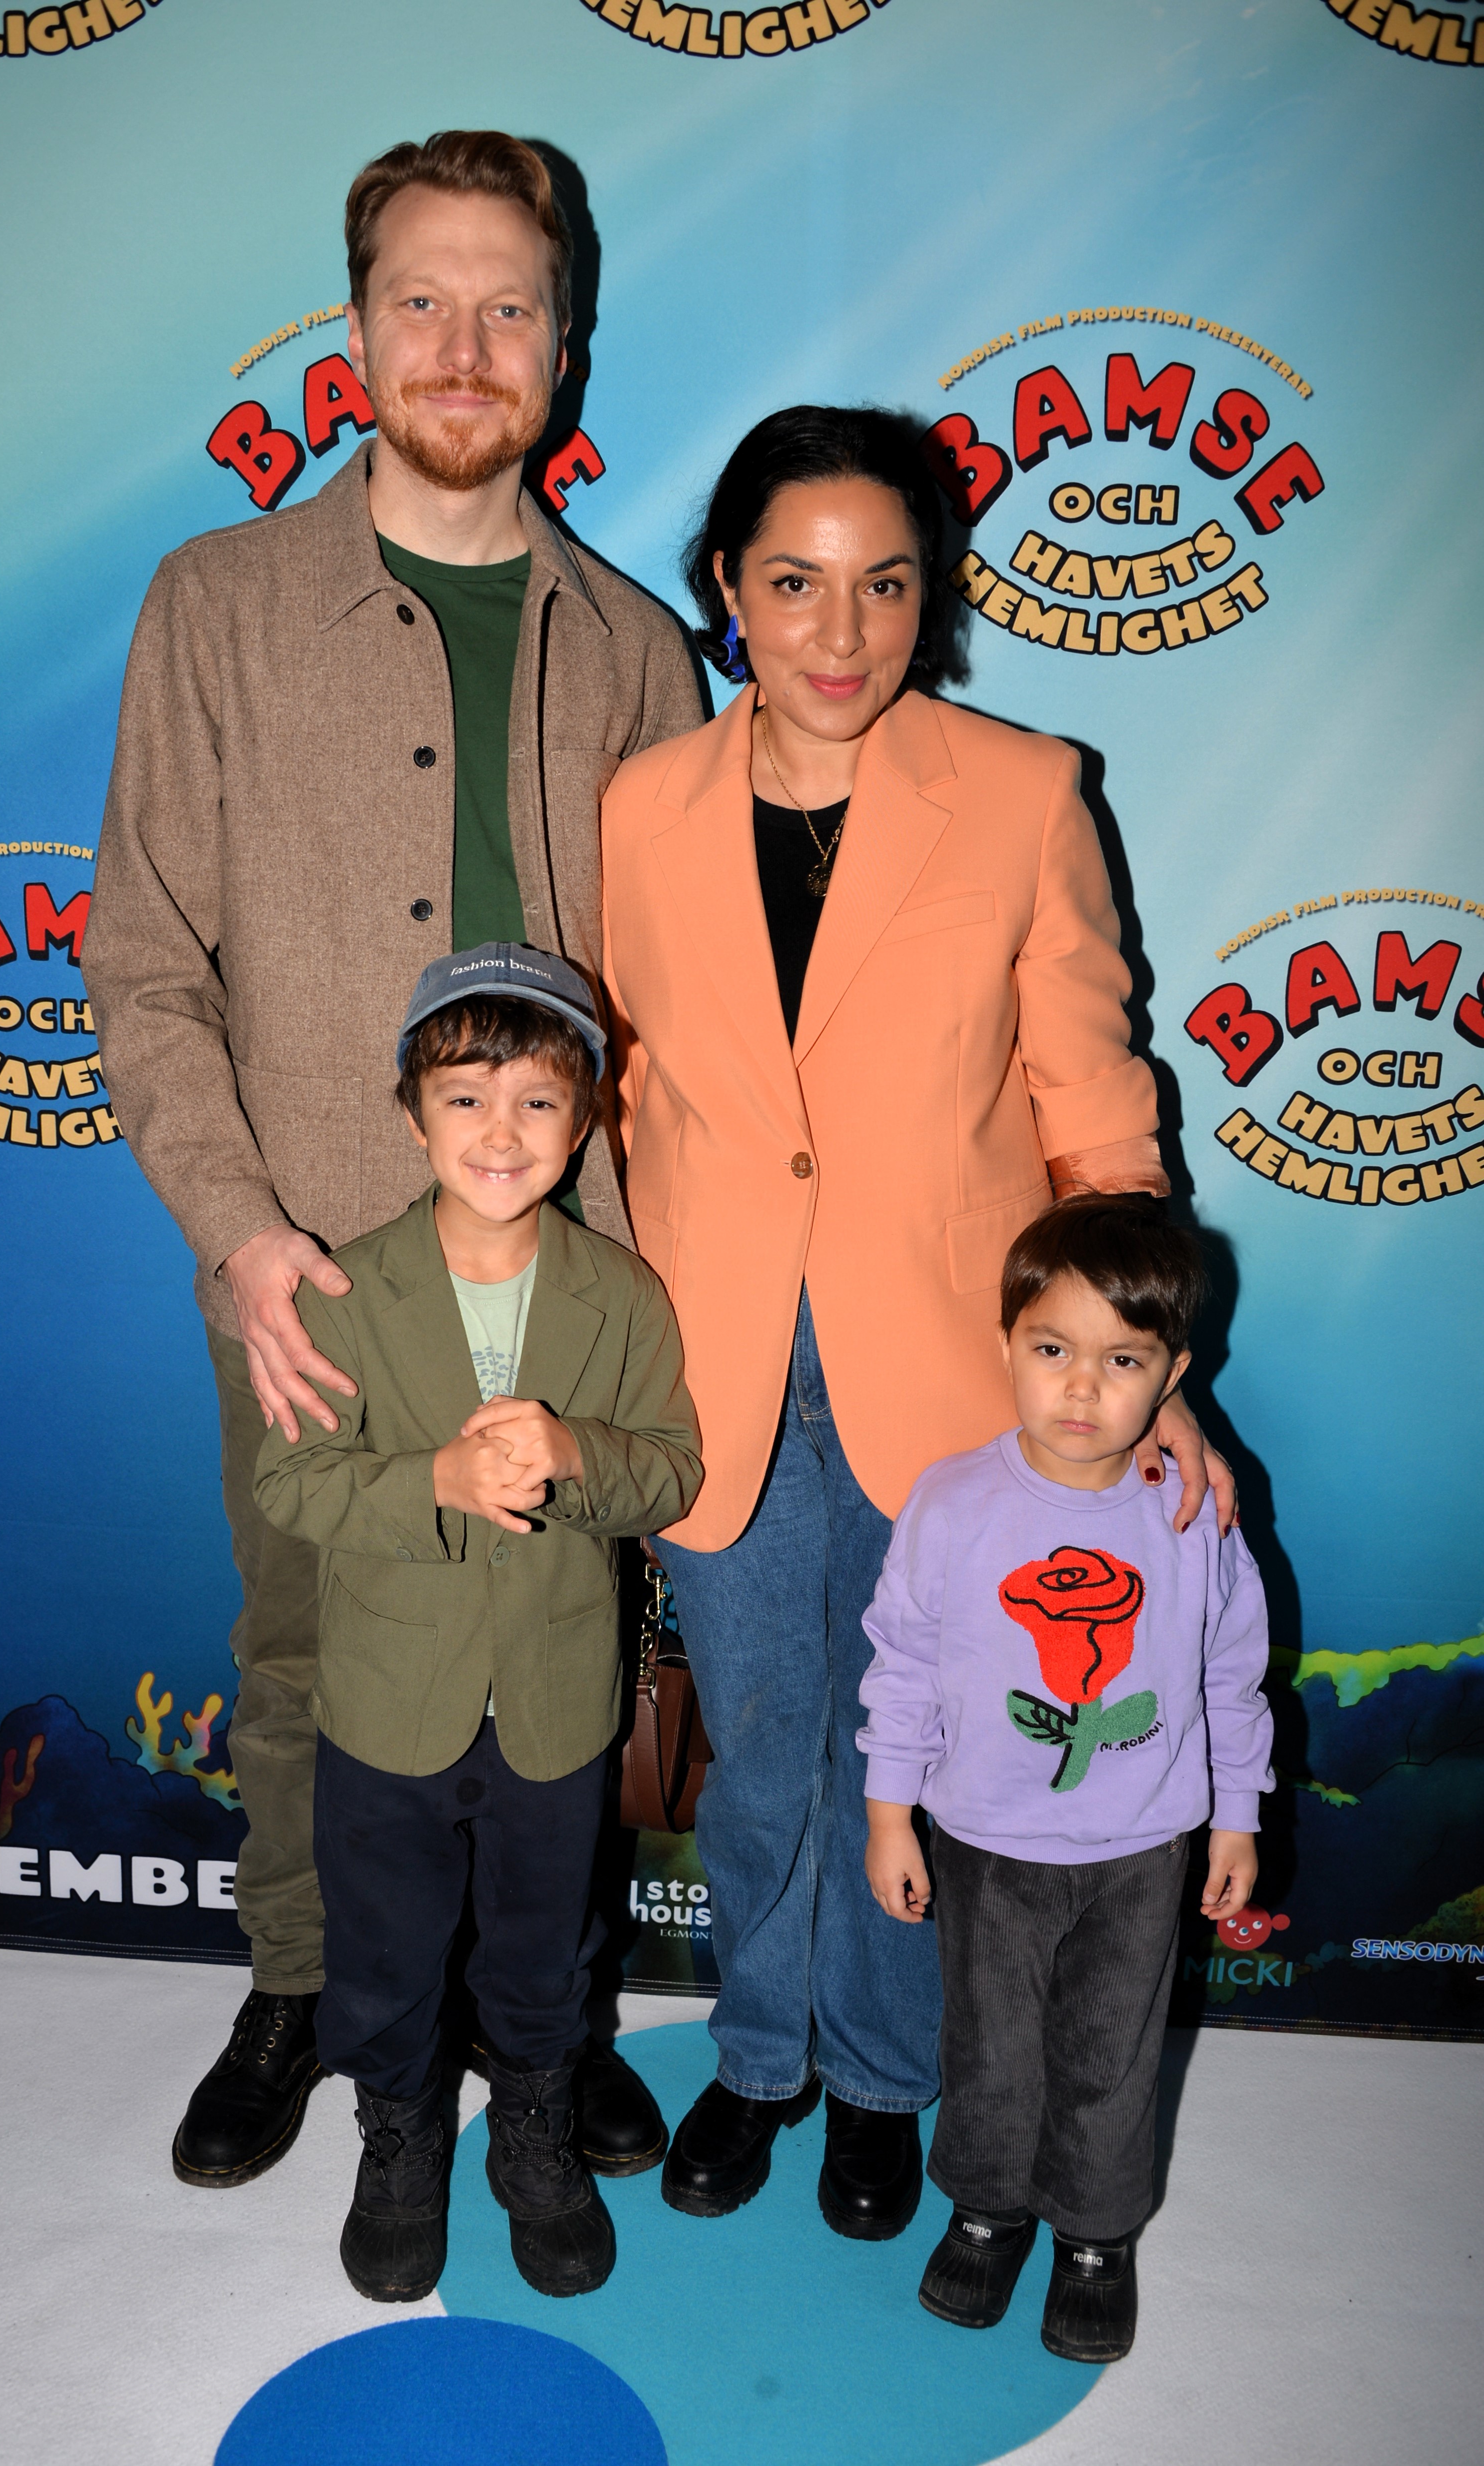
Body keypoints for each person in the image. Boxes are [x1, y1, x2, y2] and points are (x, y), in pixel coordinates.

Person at [83, 130, 703, 2188]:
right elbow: (141, 954)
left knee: (557, 1642)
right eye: (422, 300)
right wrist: (241, 1231)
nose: (464, 344)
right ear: (353, 332)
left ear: (564, 344)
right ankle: (303, 1982)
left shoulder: (635, 650)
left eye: (509, 305)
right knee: (307, 1641)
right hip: (317, 1272)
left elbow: (686, 1010)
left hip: (570, 1270)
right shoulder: (219, 604)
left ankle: (544, 2015)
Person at [598, 406, 1235, 2240]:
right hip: (712, 1358)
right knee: (763, 1746)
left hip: (953, 1363)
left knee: (925, 1750)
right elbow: (619, 1089)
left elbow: (1094, 1100)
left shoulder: (1022, 791)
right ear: (728, 587)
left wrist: (1142, 1374)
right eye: (794, 581)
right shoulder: (638, 807)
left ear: (930, 595)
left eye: (885, 583)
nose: (841, 628)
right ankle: (759, 2055)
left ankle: (883, 2078)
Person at [251, 947, 702, 2300]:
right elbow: (291, 1481)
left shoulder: (623, 1294)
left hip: (555, 1706)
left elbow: (670, 1470)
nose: (500, 1133)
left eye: (538, 1101)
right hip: (389, 1703)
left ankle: (535, 2133)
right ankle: (398, 2141)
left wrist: (576, 1452)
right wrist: (433, 1483)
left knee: (545, 1945)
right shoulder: (346, 1291)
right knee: (384, 1950)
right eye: (464, 1098)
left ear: (586, 1119)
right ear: (411, 1115)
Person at [859, 1195, 1272, 2361]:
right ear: (1005, 1343)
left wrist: (1234, 1818)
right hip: (984, 1845)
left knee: (1107, 2054)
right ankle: (987, 2210)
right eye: (1051, 1349)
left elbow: (1229, 1676)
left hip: (1140, 1851)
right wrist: (889, 1814)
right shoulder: (951, 1502)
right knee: (989, 2049)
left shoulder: (1191, 1511)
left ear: (1172, 1375)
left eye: (1121, 1360)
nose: (1080, 1388)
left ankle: (1095, 2233)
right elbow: (901, 1666)